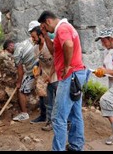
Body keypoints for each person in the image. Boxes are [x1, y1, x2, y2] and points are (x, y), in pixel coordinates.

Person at [38, 10, 91, 151]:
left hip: (70, 76)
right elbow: (55, 52)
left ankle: (58, 149)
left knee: (57, 117)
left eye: (44, 26)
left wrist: (67, 66)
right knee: (75, 113)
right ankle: (76, 146)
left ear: (48, 21)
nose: (45, 29)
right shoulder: (66, 28)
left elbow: (68, 45)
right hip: (78, 73)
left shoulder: (61, 29)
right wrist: (45, 36)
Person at [28, 20, 58, 132]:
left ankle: (66, 122)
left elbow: (57, 60)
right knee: (48, 102)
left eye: (34, 37)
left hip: (56, 77)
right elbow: (40, 63)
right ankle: (50, 122)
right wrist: (37, 71)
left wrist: (50, 75)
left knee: (59, 101)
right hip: (47, 78)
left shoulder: (49, 45)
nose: (33, 39)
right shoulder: (35, 49)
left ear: (41, 35)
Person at [3, 38, 38, 121]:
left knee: (21, 91)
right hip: (39, 66)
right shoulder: (25, 41)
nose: (9, 52)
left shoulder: (16, 54)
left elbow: (20, 71)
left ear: (11, 45)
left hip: (33, 71)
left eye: (8, 50)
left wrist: (19, 83)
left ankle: (24, 113)